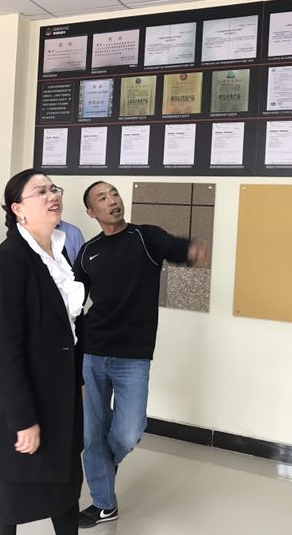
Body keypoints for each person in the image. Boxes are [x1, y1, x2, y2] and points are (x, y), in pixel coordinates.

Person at [74, 182, 207, 528]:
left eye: (114, 194)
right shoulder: (88, 251)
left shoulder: (145, 237)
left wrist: (191, 250)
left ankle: (101, 468)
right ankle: (104, 504)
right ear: (91, 212)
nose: (112, 201)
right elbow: (74, 301)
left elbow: (176, 247)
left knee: (129, 432)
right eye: (102, 198)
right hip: (92, 352)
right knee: (91, 433)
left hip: (132, 355)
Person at [0, 169, 83, 535]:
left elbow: (70, 327)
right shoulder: (9, 260)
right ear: (18, 208)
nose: (52, 195)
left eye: (54, 188)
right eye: (41, 191)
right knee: (11, 495)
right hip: (26, 396)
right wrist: (23, 419)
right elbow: (6, 348)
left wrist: (78, 379)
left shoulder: (59, 251)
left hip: (60, 392)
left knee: (65, 487)